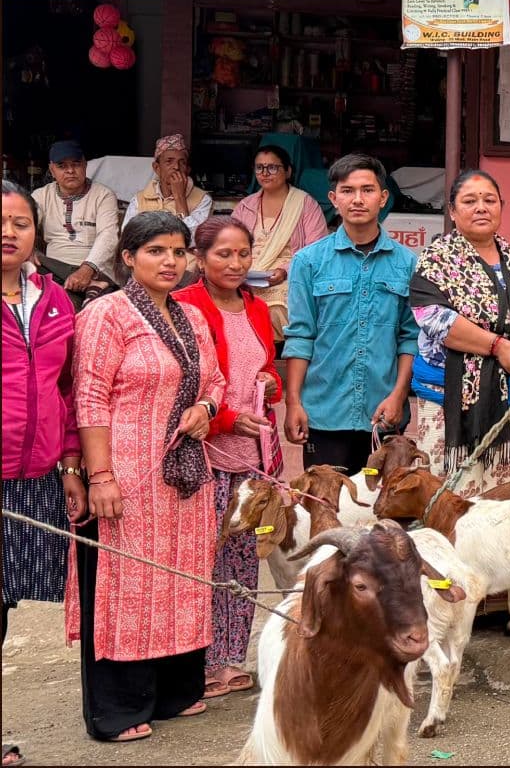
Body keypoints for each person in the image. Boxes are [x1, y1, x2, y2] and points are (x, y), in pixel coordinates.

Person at [68, 210, 225, 742]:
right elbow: (89, 397)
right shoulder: (106, 313)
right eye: (156, 251)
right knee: (127, 583)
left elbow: (215, 380)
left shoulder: (191, 316)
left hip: (183, 475)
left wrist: (205, 407)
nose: (170, 261)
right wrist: (100, 475)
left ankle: (174, 693)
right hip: (127, 474)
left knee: (181, 580)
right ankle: (117, 709)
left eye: (178, 251)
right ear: (128, 257)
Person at [170, 216, 281, 700]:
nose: (235, 264)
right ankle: (199, 662)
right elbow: (178, 386)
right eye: (223, 254)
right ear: (199, 258)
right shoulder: (184, 305)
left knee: (243, 559)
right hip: (205, 451)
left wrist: (271, 383)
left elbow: (265, 365)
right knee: (203, 558)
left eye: (243, 254)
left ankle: (233, 657)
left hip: (251, 455)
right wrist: (227, 418)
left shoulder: (256, 306)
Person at [409, 170, 510, 496]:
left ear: (501, 207)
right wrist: (496, 346)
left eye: (489, 200)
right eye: (469, 201)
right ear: (452, 211)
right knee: (455, 502)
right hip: (450, 401)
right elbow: (433, 318)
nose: (481, 207)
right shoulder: (435, 260)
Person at [282, 153, 418, 474]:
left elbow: (410, 337)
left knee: (381, 502)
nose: (357, 199)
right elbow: (300, 336)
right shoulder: (308, 261)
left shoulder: (407, 263)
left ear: (383, 198)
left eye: (367, 190)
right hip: (324, 412)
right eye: (347, 190)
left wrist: (399, 395)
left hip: (383, 413)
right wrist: (293, 402)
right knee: (325, 502)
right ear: (333, 198)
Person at [3, 181, 85, 649]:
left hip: (34, 480)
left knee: (7, 599)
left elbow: (68, 390)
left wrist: (70, 466)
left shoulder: (53, 300)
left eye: (20, 223)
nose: (9, 233)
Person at [230, 145, 329, 341]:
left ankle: (276, 352)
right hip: (245, 275)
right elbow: (228, 241)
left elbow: (316, 252)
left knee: (275, 308)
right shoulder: (245, 206)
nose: (265, 173)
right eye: (259, 167)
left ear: (288, 171)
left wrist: (285, 271)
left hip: (288, 277)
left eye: (272, 167)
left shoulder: (305, 204)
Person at [31, 140, 120, 297]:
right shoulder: (41, 196)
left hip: (95, 270)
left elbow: (108, 235)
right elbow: (24, 224)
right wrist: (27, 251)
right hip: (53, 267)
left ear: (85, 165)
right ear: (52, 170)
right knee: (25, 261)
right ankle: (93, 289)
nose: (70, 170)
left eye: (76, 164)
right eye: (62, 166)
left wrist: (87, 268)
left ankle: (92, 286)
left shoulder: (103, 195)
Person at [122, 135, 212, 235]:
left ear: (187, 170)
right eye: (169, 161)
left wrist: (179, 197)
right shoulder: (139, 200)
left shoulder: (202, 199)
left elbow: (194, 239)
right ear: (157, 168)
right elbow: (127, 237)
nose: (176, 167)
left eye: (182, 163)